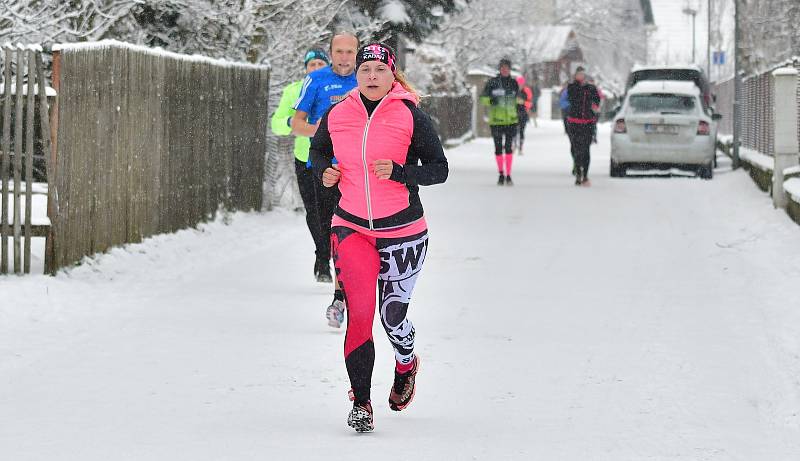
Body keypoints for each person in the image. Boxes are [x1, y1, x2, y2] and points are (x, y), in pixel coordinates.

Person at [310, 43, 448, 433]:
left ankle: (406, 362)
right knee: (360, 316)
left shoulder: (410, 115)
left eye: (379, 71)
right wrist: (324, 171)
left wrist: (402, 172)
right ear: (356, 75)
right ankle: (363, 403)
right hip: (352, 226)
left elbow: (440, 169)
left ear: (392, 76)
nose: (372, 77)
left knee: (392, 317)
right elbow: (317, 152)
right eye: (365, 69)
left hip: (403, 231)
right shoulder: (339, 114)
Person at [292, 32, 359, 328]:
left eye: (350, 51)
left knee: (356, 232)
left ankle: (345, 296)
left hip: (359, 171)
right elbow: (296, 124)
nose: (345, 57)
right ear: (331, 52)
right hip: (323, 169)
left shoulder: (369, 78)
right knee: (330, 230)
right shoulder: (316, 80)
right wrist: (319, 130)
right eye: (339, 51)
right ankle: (339, 292)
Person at [270, 49, 331, 283]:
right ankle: (322, 257)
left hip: (334, 161)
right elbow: (276, 124)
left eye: (320, 64)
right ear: (305, 68)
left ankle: (334, 255)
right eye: (311, 64)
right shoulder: (295, 91)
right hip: (304, 159)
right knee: (314, 212)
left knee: (333, 212)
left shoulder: (335, 89)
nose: (315, 68)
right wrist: (292, 122)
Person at [481, 58, 519, 186]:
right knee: (498, 148)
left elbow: (518, 100)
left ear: (510, 69)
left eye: (507, 68)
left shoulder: (514, 83)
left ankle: (508, 175)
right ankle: (501, 174)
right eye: (502, 67)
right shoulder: (492, 82)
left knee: (508, 148)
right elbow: (482, 99)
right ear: (499, 69)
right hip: (496, 121)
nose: (505, 70)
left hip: (511, 121)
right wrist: (491, 101)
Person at [566, 66, 601, 186]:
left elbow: (597, 101)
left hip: (588, 122)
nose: (581, 76)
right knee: (576, 149)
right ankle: (578, 173)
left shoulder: (591, 88)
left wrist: (595, 106)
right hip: (574, 122)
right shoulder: (572, 87)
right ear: (575, 76)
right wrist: (581, 88)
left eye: (582, 74)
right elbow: (571, 98)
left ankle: (585, 175)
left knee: (586, 149)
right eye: (578, 74)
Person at [515, 75, 533, 155]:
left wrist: (523, 102)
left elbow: (530, 103)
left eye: (521, 83)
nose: (519, 85)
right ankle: (514, 145)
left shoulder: (527, 91)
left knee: (522, 131)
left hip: (523, 113)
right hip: (513, 114)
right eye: (518, 83)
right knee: (514, 131)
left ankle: (521, 147)